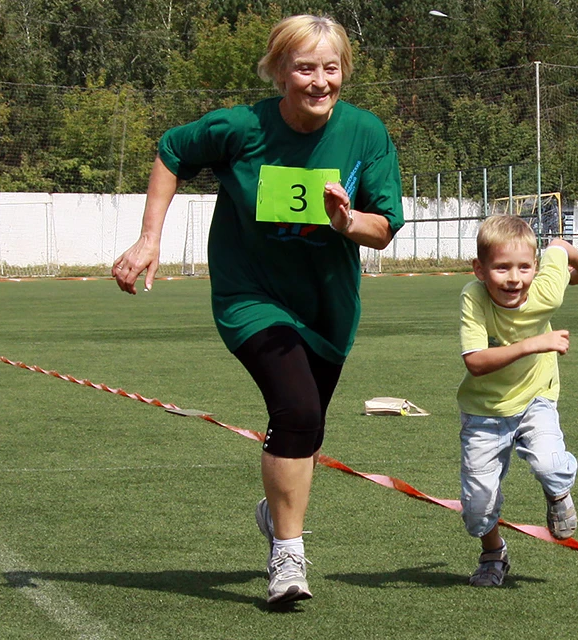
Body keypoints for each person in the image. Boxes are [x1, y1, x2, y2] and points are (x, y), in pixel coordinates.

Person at [112, 14, 404, 605]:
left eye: (331, 68)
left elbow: (384, 229)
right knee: (295, 412)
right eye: (304, 68)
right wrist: (149, 237)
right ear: (278, 72)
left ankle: (275, 514)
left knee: (308, 426)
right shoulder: (241, 128)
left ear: (344, 70)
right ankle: (288, 561)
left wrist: (347, 221)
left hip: (328, 308)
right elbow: (172, 149)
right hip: (251, 297)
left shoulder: (366, 134)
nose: (320, 81)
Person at [456, 215, 578, 587]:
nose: (514, 278)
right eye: (501, 268)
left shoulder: (547, 289)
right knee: (477, 509)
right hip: (484, 411)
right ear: (480, 270)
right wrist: (534, 343)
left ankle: (558, 493)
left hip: (536, 398)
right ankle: (493, 551)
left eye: (524, 267)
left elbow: (560, 249)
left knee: (550, 464)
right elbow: (475, 362)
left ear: (536, 267)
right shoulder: (473, 297)